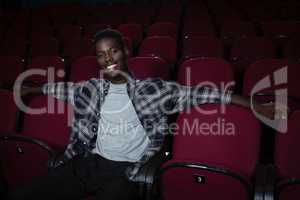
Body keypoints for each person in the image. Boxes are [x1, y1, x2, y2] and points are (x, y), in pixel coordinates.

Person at [7, 29, 280, 200]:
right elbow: (59, 89)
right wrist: (32, 88)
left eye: (113, 50)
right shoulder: (89, 89)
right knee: (26, 194)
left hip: (124, 172)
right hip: (87, 162)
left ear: (125, 51)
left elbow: (207, 94)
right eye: (101, 55)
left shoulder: (153, 91)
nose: (108, 59)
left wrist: (254, 105)